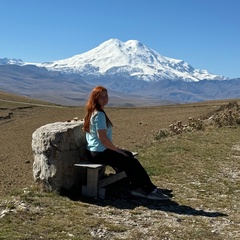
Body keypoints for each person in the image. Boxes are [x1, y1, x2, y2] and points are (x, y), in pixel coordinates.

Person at [83, 86, 169, 200]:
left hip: (95, 151)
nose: (105, 99)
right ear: (95, 99)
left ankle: (135, 186)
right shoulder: (99, 114)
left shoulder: (92, 112)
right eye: (101, 97)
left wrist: (117, 150)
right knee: (131, 161)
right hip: (100, 152)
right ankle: (150, 190)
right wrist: (116, 149)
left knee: (127, 154)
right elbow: (102, 139)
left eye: (106, 96)